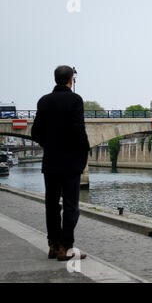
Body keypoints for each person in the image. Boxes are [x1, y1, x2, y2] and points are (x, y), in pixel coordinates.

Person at [31, 65, 90, 261]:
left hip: (51, 161)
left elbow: (35, 133)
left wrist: (50, 145)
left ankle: (53, 245)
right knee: (71, 206)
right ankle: (66, 247)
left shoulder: (44, 101)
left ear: (55, 79)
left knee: (51, 204)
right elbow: (78, 130)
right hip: (71, 162)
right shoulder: (75, 100)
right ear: (71, 80)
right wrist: (84, 150)